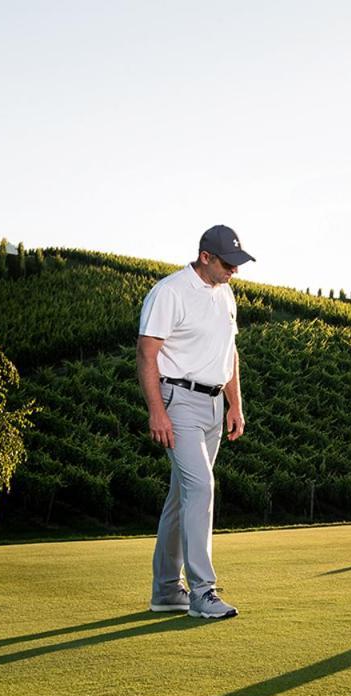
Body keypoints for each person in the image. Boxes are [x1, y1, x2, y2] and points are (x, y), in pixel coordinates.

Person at [137, 225, 254, 619]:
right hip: (179, 401)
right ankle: (203, 592)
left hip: (213, 406)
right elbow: (146, 353)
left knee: (181, 497)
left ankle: (167, 590)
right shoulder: (169, 292)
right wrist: (157, 411)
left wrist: (234, 404)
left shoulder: (226, 294)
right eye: (227, 263)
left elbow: (229, 350)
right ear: (205, 257)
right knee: (201, 488)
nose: (233, 271)